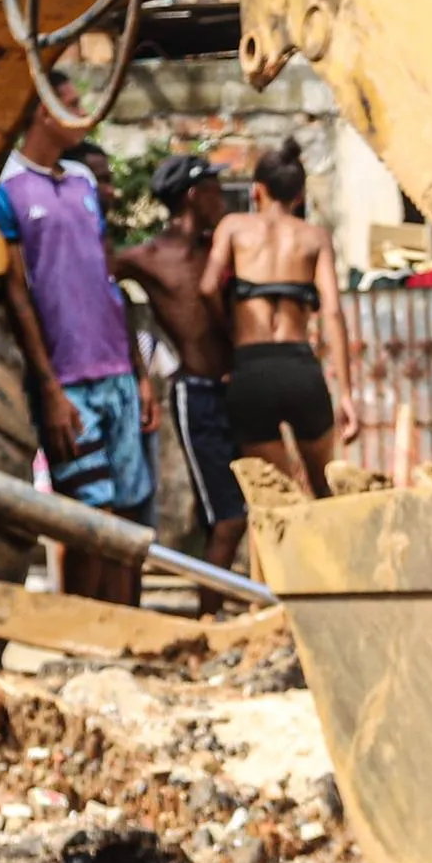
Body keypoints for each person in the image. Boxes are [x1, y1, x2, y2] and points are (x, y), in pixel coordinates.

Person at [0, 104, 150, 600]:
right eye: (69, 102)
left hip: (117, 372)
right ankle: (86, 636)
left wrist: (139, 373)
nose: (81, 111)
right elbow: (17, 294)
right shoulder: (5, 187)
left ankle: (125, 636)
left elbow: (109, 280)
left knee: (124, 517)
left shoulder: (81, 180)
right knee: (86, 519)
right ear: (41, 113)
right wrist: (50, 387)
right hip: (68, 381)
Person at [113, 152, 246, 565]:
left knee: (247, 511)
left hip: (241, 391)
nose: (222, 198)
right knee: (226, 520)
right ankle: (208, 616)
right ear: (192, 196)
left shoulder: (221, 249)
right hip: (198, 394)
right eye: (213, 190)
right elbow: (98, 294)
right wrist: (139, 368)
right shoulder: (146, 259)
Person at [207, 142, 349, 490]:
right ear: (299, 196)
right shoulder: (315, 237)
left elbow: (207, 287)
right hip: (299, 367)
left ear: (257, 191)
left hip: (251, 369)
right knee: (322, 489)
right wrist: (346, 392)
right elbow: (331, 311)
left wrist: (229, 331)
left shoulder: (233, 227)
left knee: (271, 496)